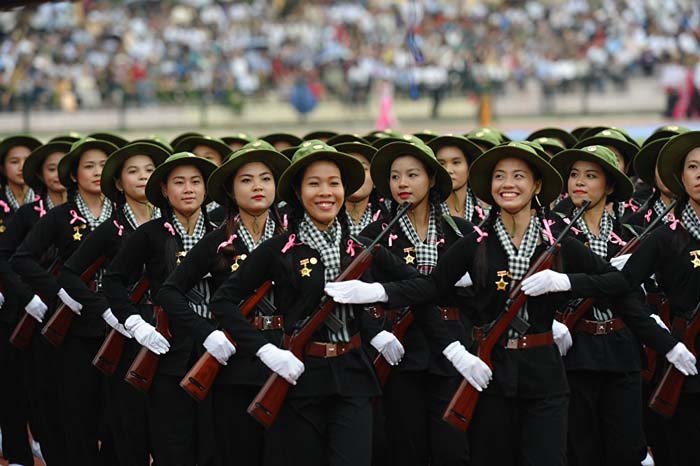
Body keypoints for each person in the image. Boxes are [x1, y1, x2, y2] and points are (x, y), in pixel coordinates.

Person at [326, 141, 636, 466]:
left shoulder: (557, 243)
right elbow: (431, 286)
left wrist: (568, 282)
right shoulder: (476, 242)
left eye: (518, 176)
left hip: (544, 375)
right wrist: (379, 293)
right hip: (492, 370)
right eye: (499, 176)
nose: (508, 184)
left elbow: (618, 282)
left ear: (537, 185)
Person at [209, 141, 447, 466]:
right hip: (299, 374)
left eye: (333, 183)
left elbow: (427, 285)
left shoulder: (362, 248)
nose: (326, 192)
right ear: (297, 191)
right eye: (314, 183)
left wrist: (376, 292)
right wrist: (266, 352)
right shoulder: (279, 249)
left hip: (353, 376)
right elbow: (223, 301)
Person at [549, 144, 694, 466]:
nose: (579, 182)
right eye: (574, 175)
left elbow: (639, 295)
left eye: (590, 176)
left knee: (627, 447)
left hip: (622, 346)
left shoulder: (631, 234)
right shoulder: (553, 234)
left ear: (610, 185)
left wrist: (660, 334)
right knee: (581, 447)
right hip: (575, 348)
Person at [157, 140, 289, 466]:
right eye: (246, 180)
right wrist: (205, 332)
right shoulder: (218, 241)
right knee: (236, 451)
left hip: (287, 356)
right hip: (235, 362)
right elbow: (169, 292)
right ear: (230, 191)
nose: (257, 186)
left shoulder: (295, 236)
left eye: (265, 178)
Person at [360, 135, 474, 466]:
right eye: (395, 176)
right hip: (401, 348)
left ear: (431, 179)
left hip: (452, 345)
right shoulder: (374, 235)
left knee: (451, 448)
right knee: (405, 446)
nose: (402, 184)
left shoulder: (462, 232)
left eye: (412, 174)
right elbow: (361, 294)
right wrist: (375, 332)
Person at [57, 140, 169, 466]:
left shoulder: (174, 224)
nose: (143, 177)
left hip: (169, 329)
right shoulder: (112, 229)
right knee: (128, 422)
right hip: (126, 330)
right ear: (119, 183)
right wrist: (105, 310)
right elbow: (70, 273)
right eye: (133, 172)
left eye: (149, 170)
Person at [102, 152, 217, 466]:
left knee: (214, 444)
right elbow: (112, 281)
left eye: (196, 182)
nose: (188, 189)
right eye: (179, 183)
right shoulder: (150, 234)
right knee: (172, 443)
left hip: (218, 350)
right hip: (168, 349)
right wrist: (135, 324)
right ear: (165, 190)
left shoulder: (223, 232)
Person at [11, 136, 118, 466]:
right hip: (72, 326)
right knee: (75, 407)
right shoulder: (60, 217)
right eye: (88, 166)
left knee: (116, 411)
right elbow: (21, 258)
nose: (97, 172)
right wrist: (58, 292)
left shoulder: (122, 216)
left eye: (103, 165)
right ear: (74, 176)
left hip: (118, 324)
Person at [623, 131, 700, 466]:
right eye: (693, 167)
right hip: (686, 362)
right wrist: (662, 338)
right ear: (680, 178)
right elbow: (623, 290)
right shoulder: (665, 237)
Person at [0, 138, 70, 466]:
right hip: (25, 310)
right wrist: (24, 296)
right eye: (52, 168)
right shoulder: (29, 213)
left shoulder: (87, 213)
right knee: (19, 384)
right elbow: (7, 257)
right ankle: (17, 453)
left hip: (72, 314)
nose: (59, 174)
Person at [428, 134, 484, 223]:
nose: (448, 170)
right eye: (441, 163)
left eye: (456, 162)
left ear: (469, 166)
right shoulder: (425, 211)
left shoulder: (486, 211)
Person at [0, 135, 42, 234]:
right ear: (2, 168)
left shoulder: (46, 198)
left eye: (28, 161)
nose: (22, 167)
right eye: (14, 162)